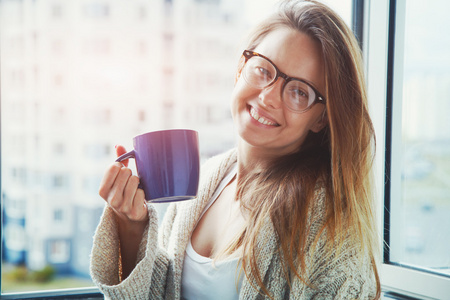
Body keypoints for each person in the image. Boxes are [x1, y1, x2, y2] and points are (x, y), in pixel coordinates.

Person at [90, 0, 381, 299]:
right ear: (241, 67)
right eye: (263, 70)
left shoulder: (330, 228)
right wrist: (130, 224)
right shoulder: (203, 182)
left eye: (298, 92)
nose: (268, 97)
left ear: (320, 119)